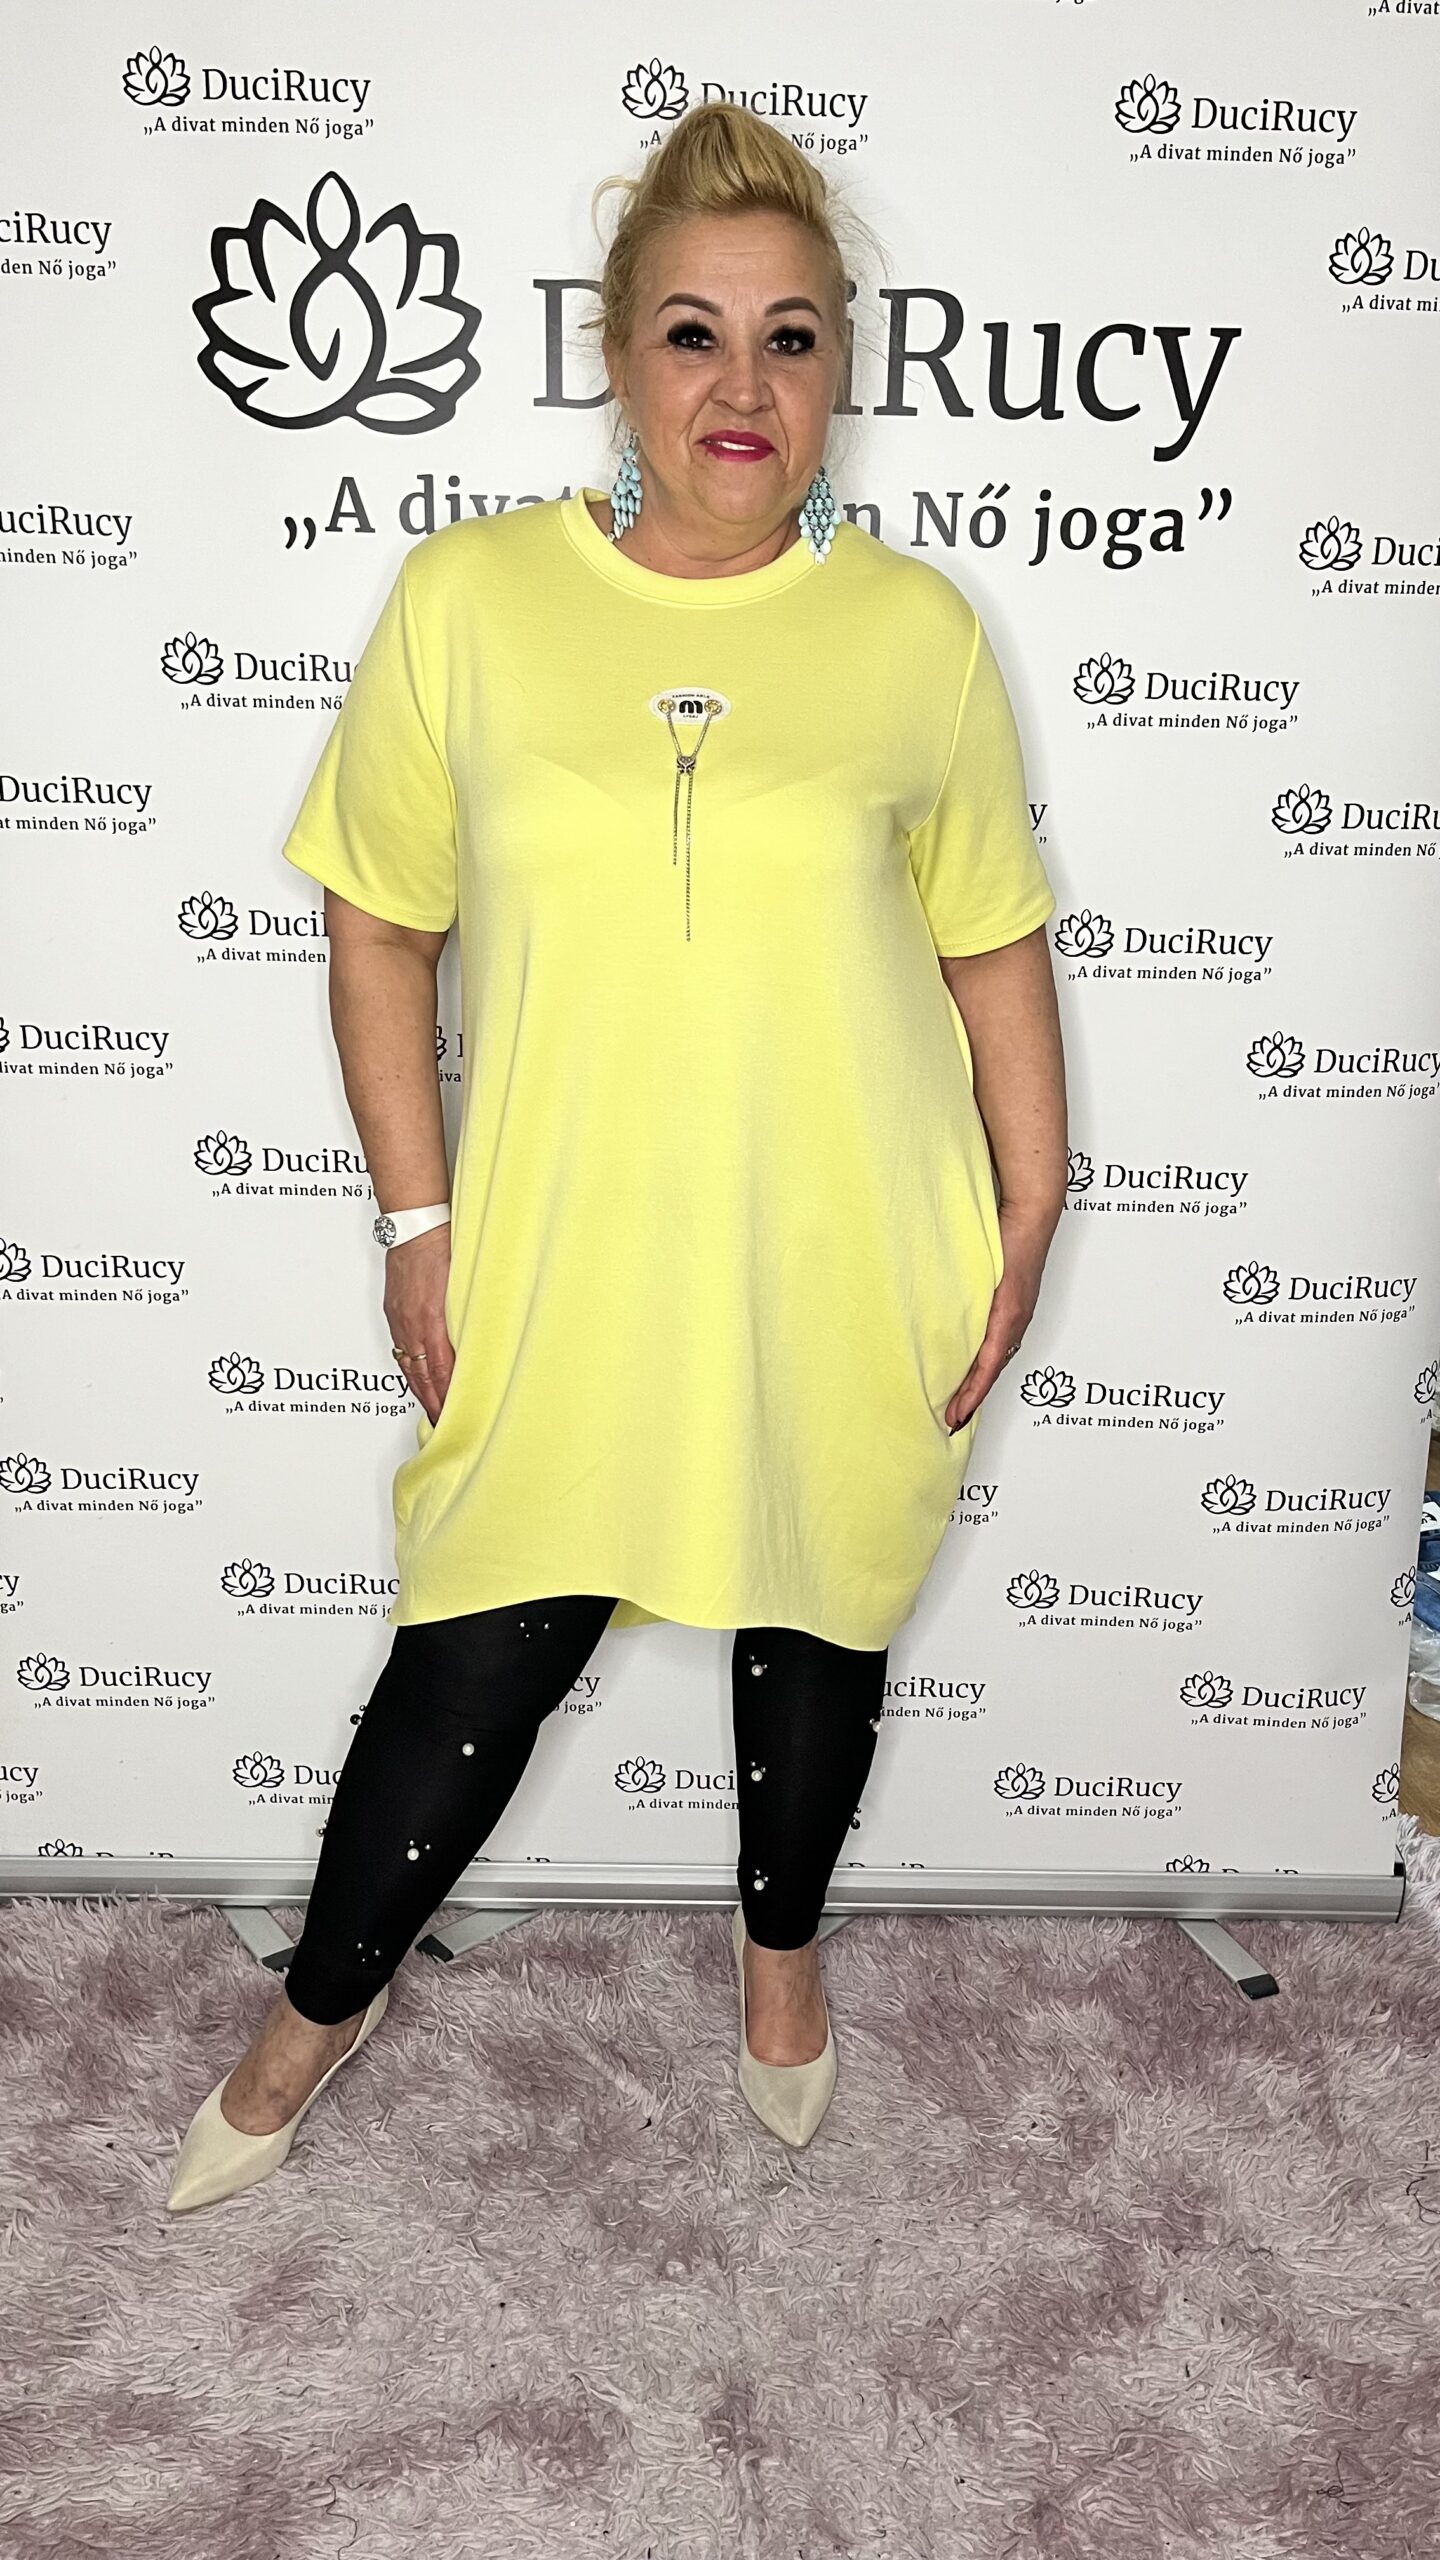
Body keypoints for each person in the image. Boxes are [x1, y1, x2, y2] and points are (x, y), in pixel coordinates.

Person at [166, 100, 1067, 2213]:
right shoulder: (471, 600)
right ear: (616, 354)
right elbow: (377, 921)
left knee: (818, 1608)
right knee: (480, 1638)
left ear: (841, 368)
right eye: (692, 332)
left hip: (852, 1234)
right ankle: (319, 2004)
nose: (742, 385)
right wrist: (418, 1214)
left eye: (790, 338)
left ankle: (781, 1955)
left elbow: (991, 944)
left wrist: (1032, 1201)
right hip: (566, 1247)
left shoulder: (919, 635)